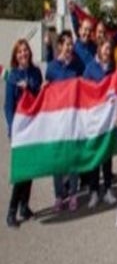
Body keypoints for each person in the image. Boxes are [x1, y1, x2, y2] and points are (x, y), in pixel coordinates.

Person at [5, 39, 43, 227]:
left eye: (25, 50)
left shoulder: (36, 73)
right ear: (15, 56)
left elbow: (39, 98)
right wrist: (13, 129)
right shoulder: (13, 76)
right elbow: (8, 107)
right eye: (19, 52)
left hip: (33, 127)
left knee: (31, 170)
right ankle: (11, 211)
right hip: (20, 130)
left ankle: (24, 206)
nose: (23, 54)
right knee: (21, 172)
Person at [46, 31, 82, 211]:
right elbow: (46, 93)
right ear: (59, 45)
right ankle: (59, 195)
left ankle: (74, 194)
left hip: (72, 119)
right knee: (58, 160)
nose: (69, 47)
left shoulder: (77, 66)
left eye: (71, 44)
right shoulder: (52, 68)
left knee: (73, 159)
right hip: (57, 121)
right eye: (66, 44)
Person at [83, 39, 117, 208]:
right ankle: (94, 191)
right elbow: (85, 90)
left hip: (108, 119)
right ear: (99, 49)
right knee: (96, 157)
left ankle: (109, 189)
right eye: (105, 48)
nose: (107, 51)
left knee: (107, 156)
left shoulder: (113, 68)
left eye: (109, 49)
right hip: (95, 118)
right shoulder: (90, 68)